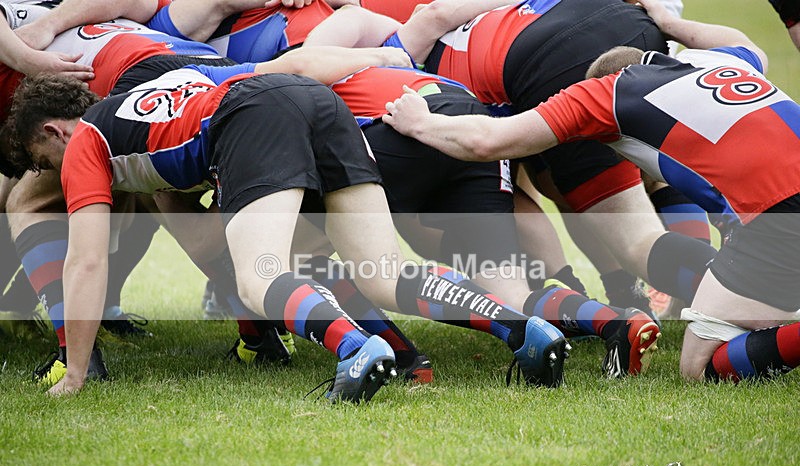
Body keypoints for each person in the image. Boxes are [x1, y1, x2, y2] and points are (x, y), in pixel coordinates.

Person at [6, 68, 570, 400]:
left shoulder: (85, 143)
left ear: (55, 131)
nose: (53, 173)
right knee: (383, 273)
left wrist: (75, 372)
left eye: (44, 161)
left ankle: (357, 349)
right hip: (312, 100)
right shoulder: (147, 98)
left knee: (259, 278)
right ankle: (525, 330)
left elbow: (86, 261)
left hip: (250, 116)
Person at [383, 0, 800, 382]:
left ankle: (617, 300)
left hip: (778, 215)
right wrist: (667, 22)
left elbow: (488, 141)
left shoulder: (603, 94)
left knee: (697, 360)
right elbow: (748, 45)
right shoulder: (716, 62)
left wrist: (421, 122)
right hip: (629, 20)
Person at [322, 64, 660, 377]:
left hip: (395, 124)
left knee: (312, 256)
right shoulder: (390, 63)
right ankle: (615, 322)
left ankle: (401, 357)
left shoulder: (313, 77)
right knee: (511, 293)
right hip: (470, 122)